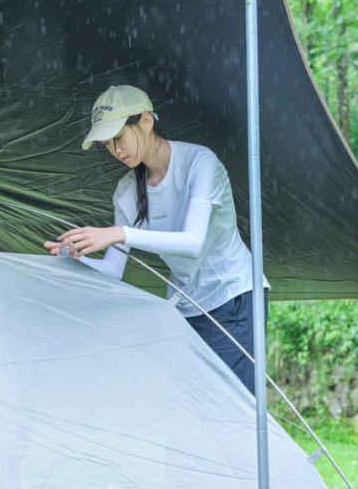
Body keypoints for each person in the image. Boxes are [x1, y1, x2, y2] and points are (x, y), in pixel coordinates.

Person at [44, 85, 269, 395]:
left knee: (235, 407)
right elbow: (113, 270)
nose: (115, 150)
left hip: (232, 299)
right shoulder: (126, 192)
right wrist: (75, 260)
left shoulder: (200, 162)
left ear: (146, 122)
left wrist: (119, 233)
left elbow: (192, 243)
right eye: (107, 144)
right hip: (185, 308)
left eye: (118, 138)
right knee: (193, 409)